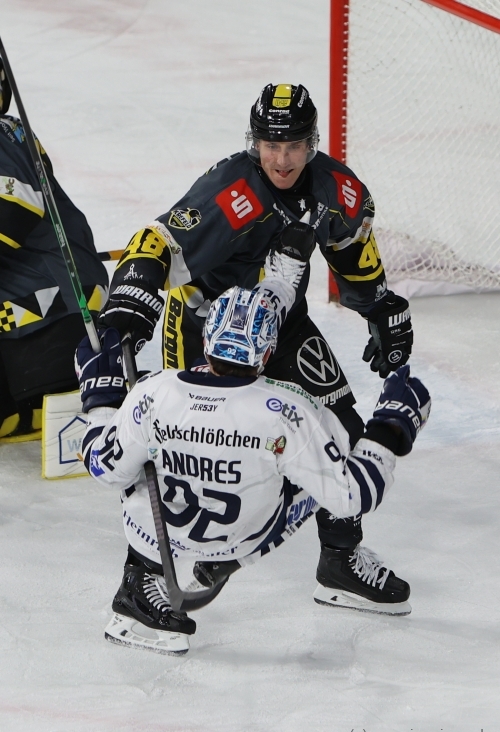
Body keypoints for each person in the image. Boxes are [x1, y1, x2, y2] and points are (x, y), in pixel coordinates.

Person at [97, 82, 414, 612]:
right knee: (180, 448)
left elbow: (354, 259)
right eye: (271, 145)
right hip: (205, 330)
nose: (281, 159)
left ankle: (339, 561)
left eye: (293, 146)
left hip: (281, 324)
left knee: (342, 428)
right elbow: (157, 241)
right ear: (255, 143)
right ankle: (139, 579)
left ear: (312, 143)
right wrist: (133, 294)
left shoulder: (337, 191)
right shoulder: (231, 191)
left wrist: (380, 308)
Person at [76, 276, 430, 655]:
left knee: (137, 456)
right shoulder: (288, 409)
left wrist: (100, 396)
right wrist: (392, 425)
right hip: (240, 538)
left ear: (206, 341)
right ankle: (316, 560)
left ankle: (139, 582)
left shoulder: (153, 391)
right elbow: (353, 496)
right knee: (322, 468)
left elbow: (103, 468)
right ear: (267, 353)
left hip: (152, 534)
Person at [0, 57, 108, 440]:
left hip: (60, 302)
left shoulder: (3, 134)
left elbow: (13, 211)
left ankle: (23, 405)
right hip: (45, 296)